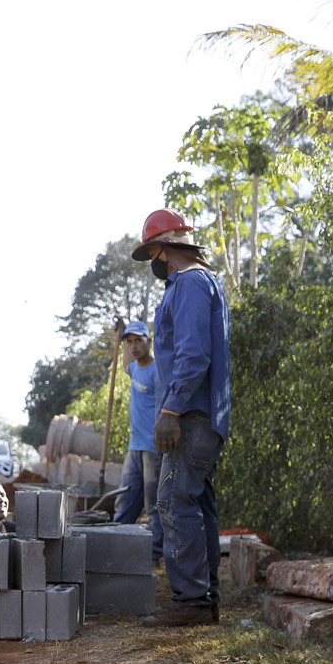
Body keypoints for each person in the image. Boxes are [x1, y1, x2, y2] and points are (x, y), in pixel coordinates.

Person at [131, 208, 229, 627]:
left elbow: (193, 355)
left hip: (191, 414)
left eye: (153, 251)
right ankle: (204, 599)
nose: (154, 261)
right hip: (206, 414)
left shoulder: (188, 284)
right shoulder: (205, 281)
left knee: (172, 501)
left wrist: (170, 410)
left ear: (165, 250)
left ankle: (190, 602)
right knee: (196, 502)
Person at [111, 319, 162, 557]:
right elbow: (126, 363)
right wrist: (121, 334)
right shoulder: (134, 369)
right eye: (129, 342)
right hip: (135, 447)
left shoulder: (158, 371)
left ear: (149, 342)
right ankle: (118, 548)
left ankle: (155, 553)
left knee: (154, 505)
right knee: (125, 499)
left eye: (138, 341)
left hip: (154, 448)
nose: (133, 347)